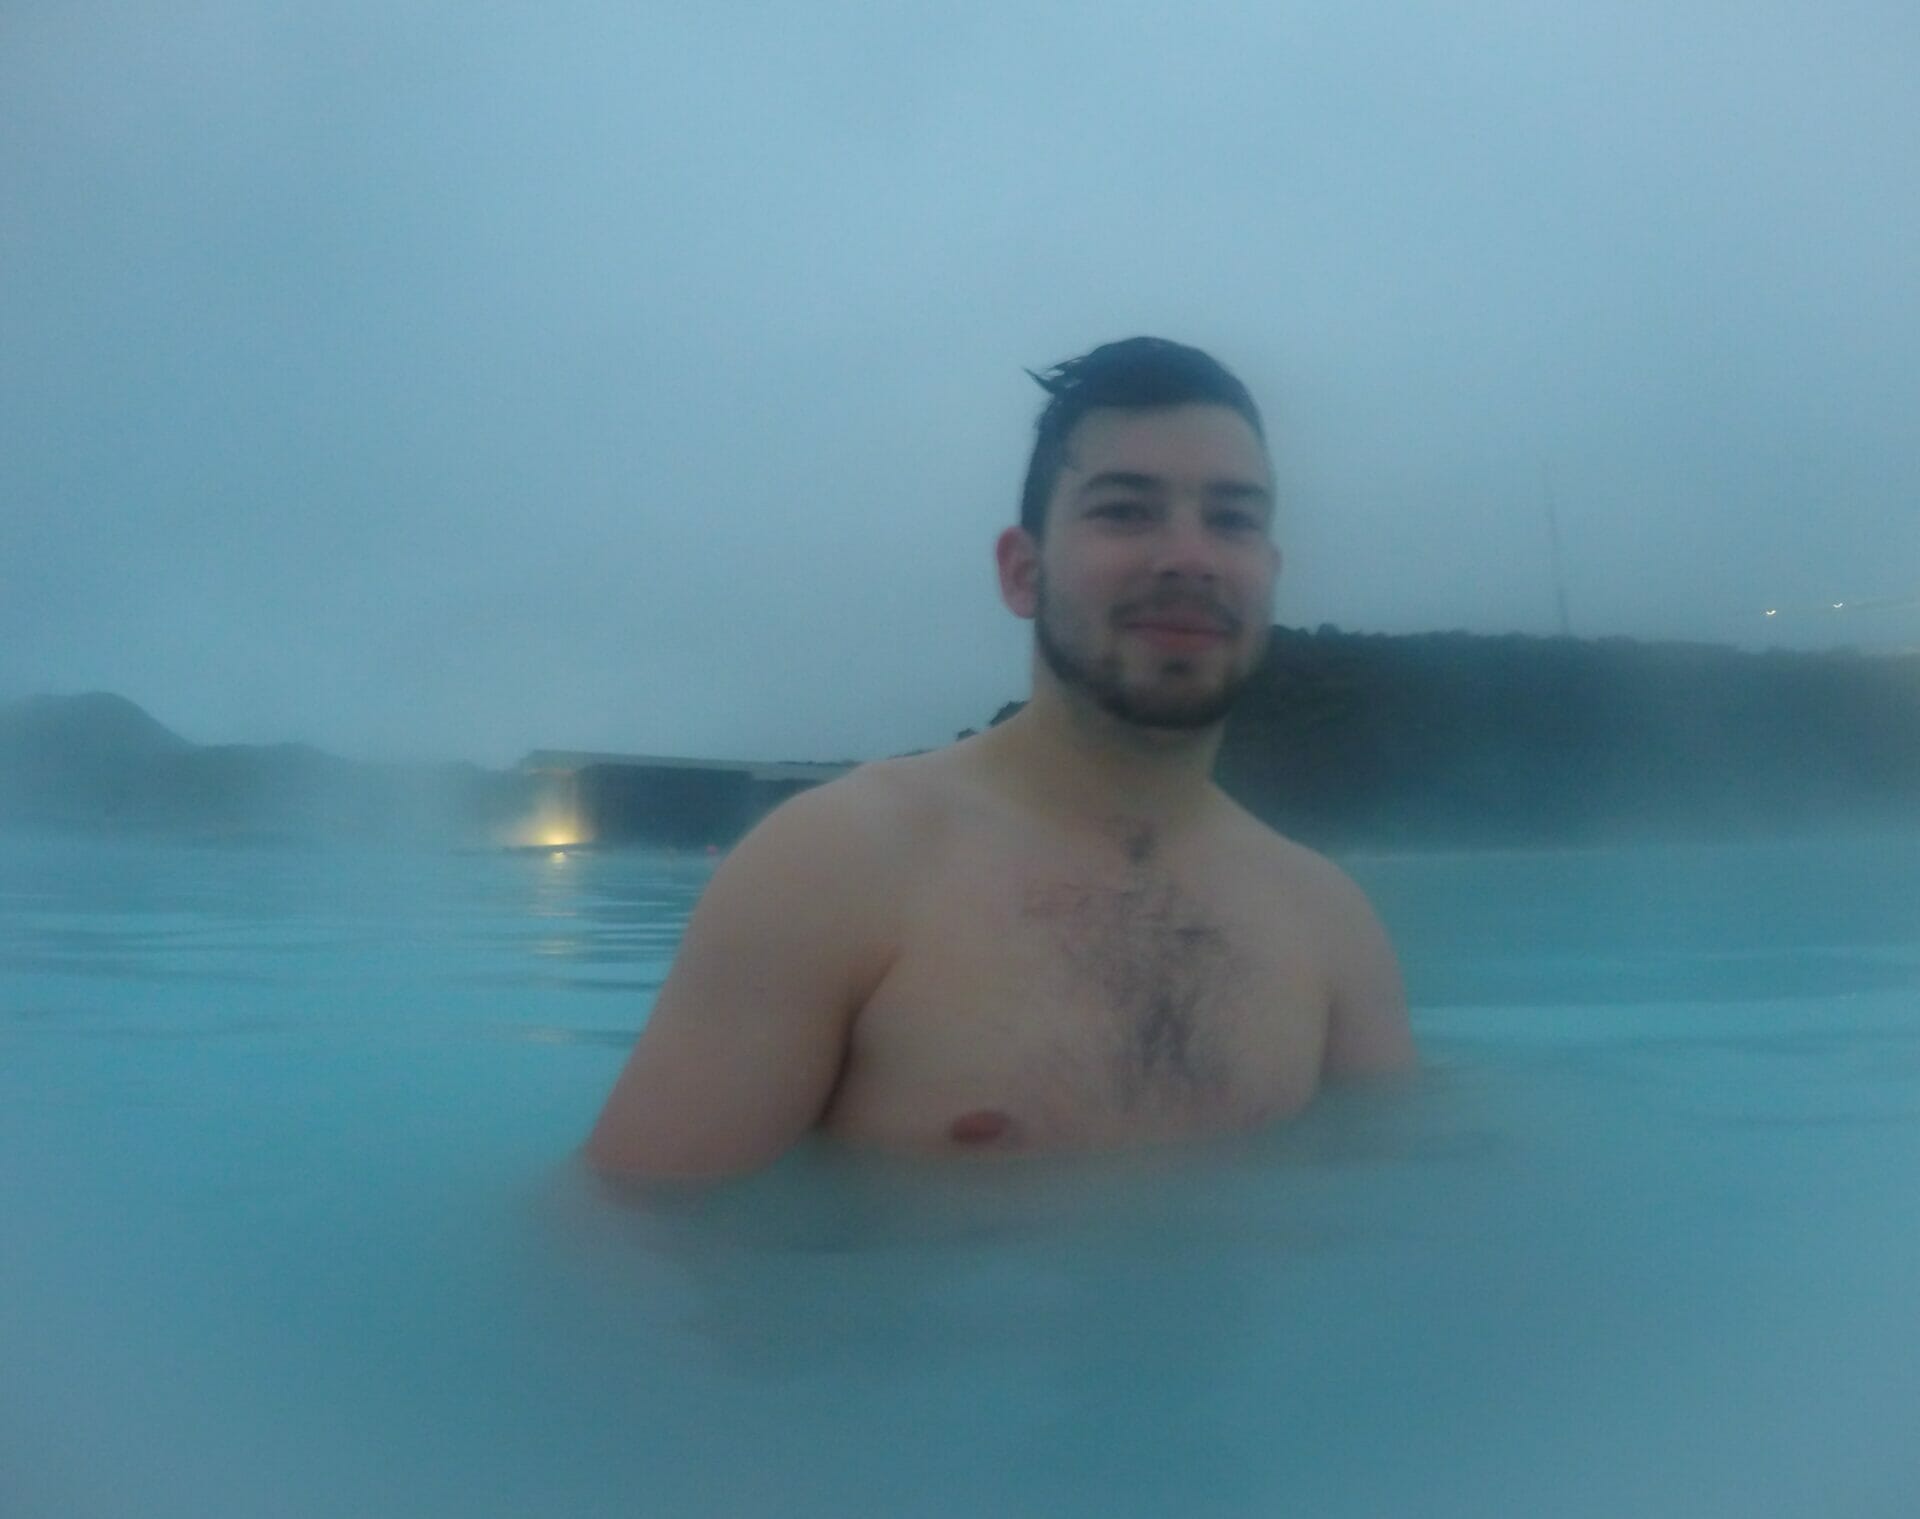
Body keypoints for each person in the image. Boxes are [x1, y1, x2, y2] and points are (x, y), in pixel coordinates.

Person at [586, 337, 1415, 1179]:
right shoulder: (834, 871)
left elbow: (1406, 1194)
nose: (1189, 557)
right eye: (1126, 510)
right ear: (1023, 572)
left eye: (1232, 519)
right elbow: (629, 1231)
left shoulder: (1329, 924)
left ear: (1269, 573)